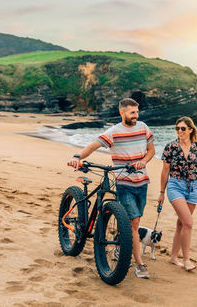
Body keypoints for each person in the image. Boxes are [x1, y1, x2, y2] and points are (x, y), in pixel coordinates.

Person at [68, 98, 155, 279]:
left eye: (137, 112)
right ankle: (139, 264)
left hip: (142, 182)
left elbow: (151, 150)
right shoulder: (114, 132)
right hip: (124, 182)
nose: (136, 116)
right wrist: (77, 156)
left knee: (133, 222)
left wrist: (143, 162)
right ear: (122, 113)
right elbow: (93, 146)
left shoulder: (143, 127)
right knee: (134, 222)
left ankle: (119, 248)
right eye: (132, 113)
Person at [158, 116, 197, 271]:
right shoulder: (171, 147)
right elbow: (165, 170)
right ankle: (186, 260)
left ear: (190, 130)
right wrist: (161, 192)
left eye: (183, 128)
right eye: (177, 128)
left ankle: (173, 257)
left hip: (193, 187)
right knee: (188, 223)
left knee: (181, 223)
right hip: (175, 186)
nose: (179, 131)